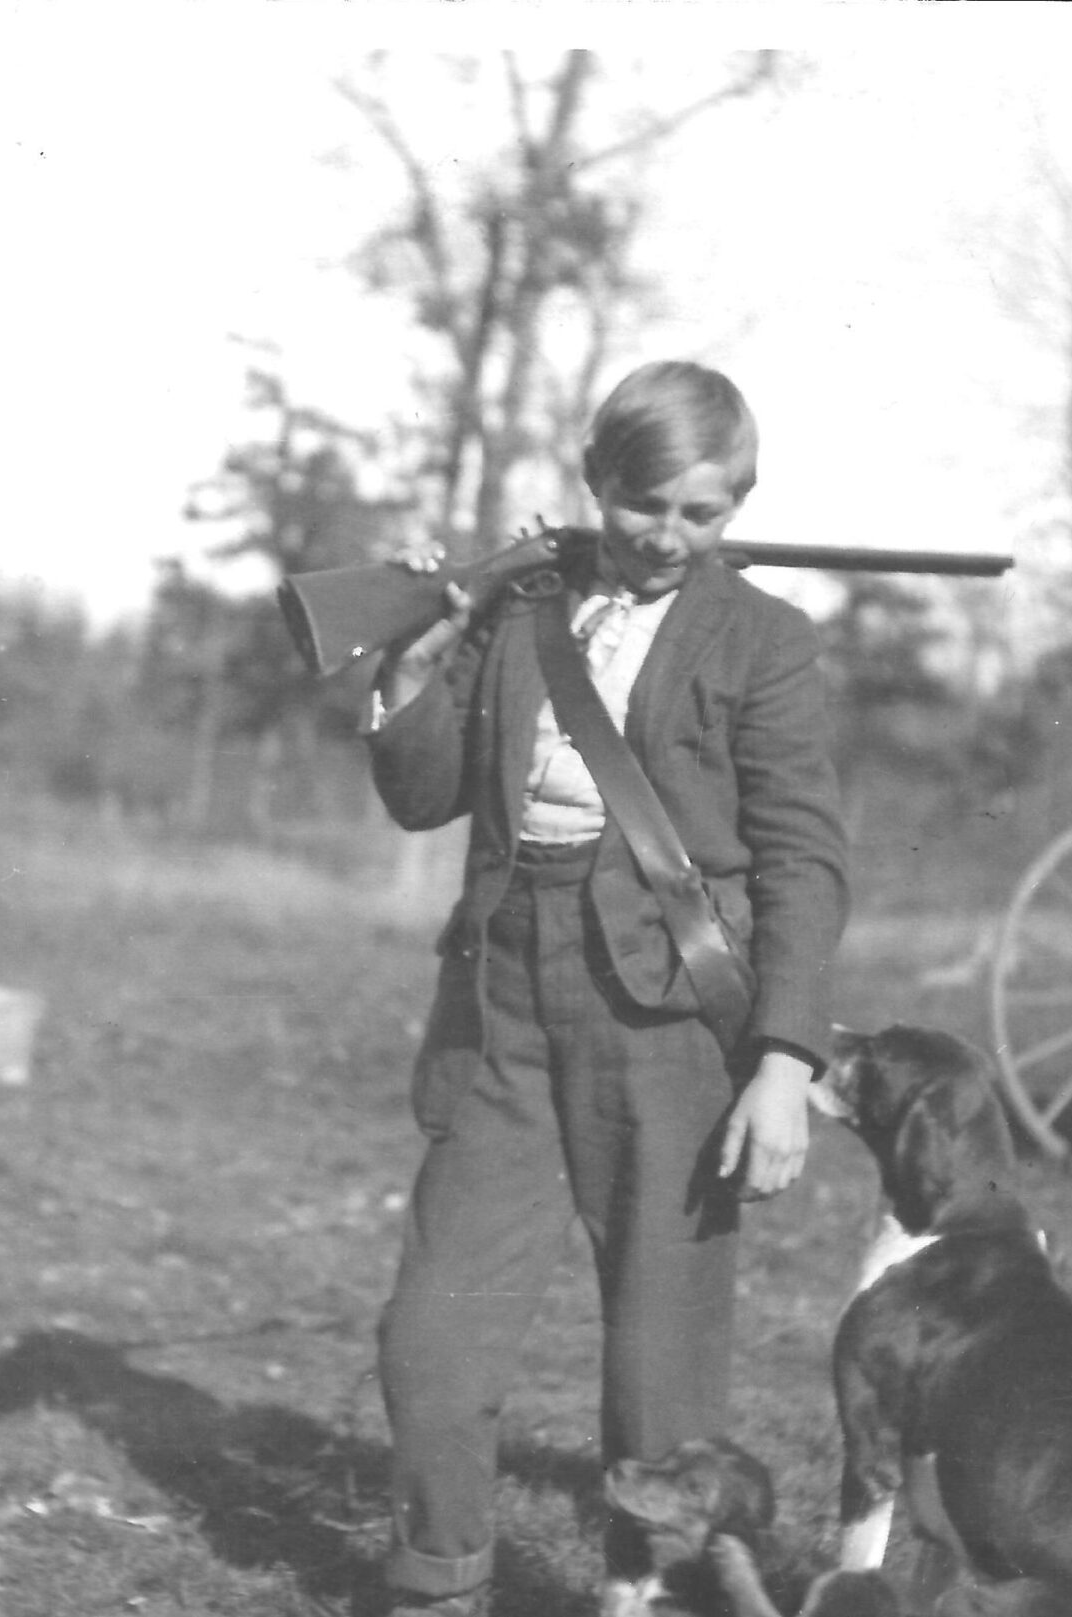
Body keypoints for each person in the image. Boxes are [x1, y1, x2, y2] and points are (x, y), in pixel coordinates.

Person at [360, 360, 851, 1616]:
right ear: (597, 484)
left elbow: (802, 859)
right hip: (503, 1005)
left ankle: (663, 1597)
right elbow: (420, 795)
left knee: (661, 1377)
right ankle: (439, 1584)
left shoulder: (765, 642)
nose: (673, 540)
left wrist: (784, 1065)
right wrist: (422, 652)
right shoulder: (520, 613)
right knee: (432, 1337)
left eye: (707, 514)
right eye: (649, 509)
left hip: (672, 1026)